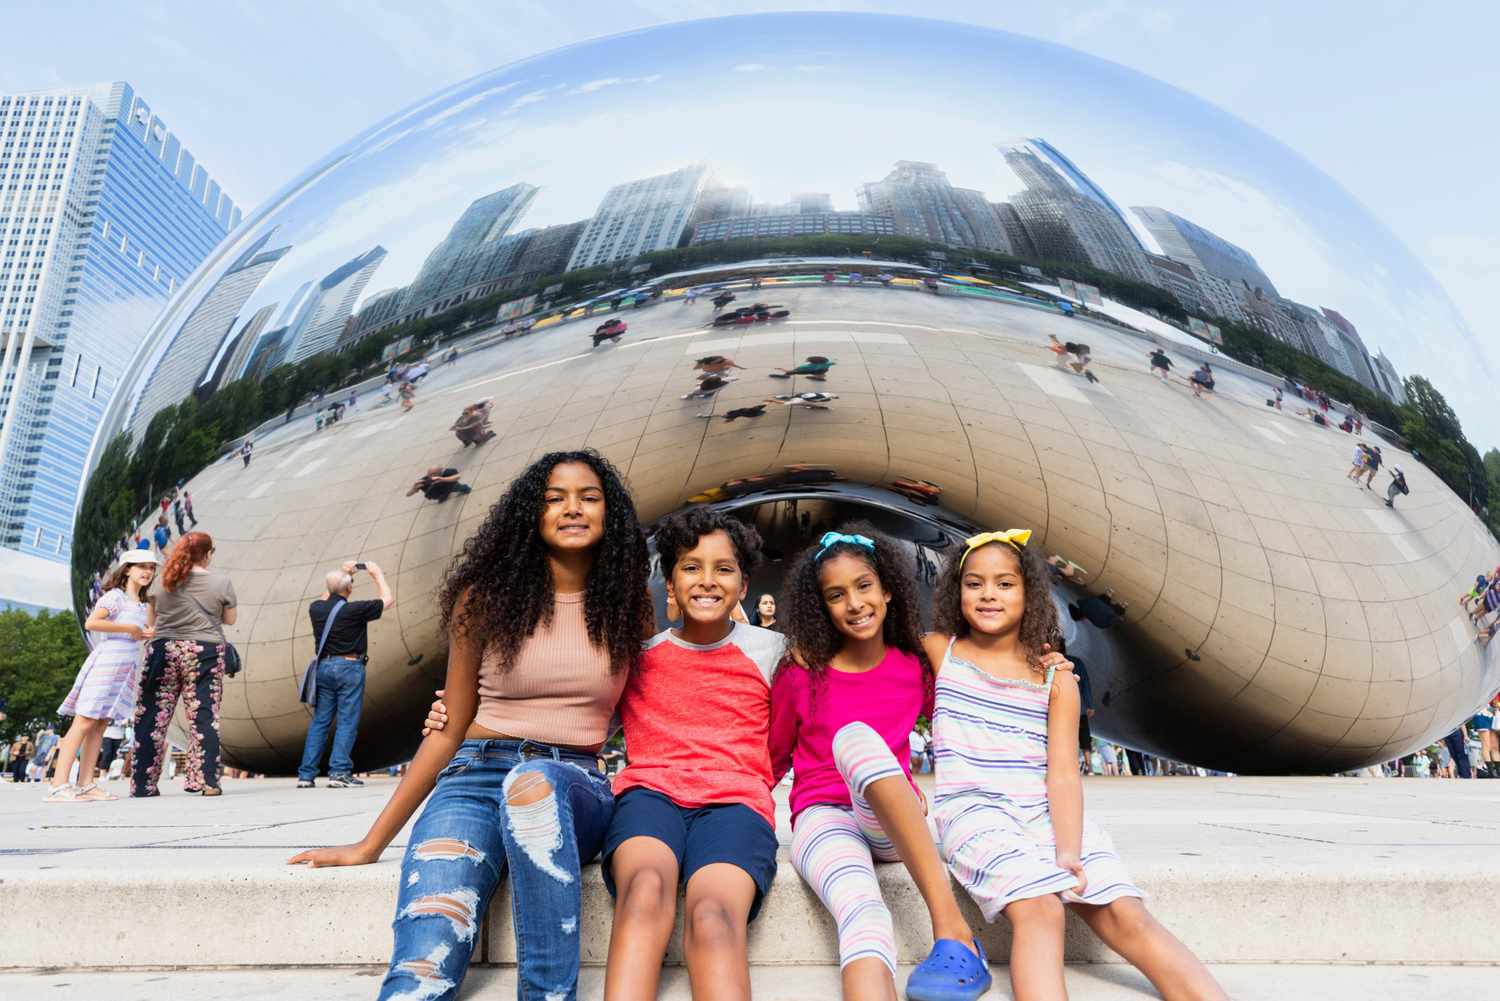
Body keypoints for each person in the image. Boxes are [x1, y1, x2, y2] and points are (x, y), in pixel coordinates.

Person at [290, 450, 652, 1001]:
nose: (571, 509)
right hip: (477, 775)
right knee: (429, 943)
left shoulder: (628, 605)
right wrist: (370, 843)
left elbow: (649, 709)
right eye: (554, 499)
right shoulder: (484, 599)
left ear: (611, 513)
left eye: (588, 498)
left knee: (536, 788)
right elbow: (451, 724)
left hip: (570, 782)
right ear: (530, 514)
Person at [924, 530, 1227, 1001]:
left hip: (1045, 814)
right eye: (974, 583)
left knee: (1127, 912)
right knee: (1041, 908)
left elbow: (1063, 774)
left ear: (1030, 594)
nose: (988, 595)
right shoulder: (941, 651)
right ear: (955, 591)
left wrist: (1068, 850)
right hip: (974, 812)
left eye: (1005, 584)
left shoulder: (1055, 678)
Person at [771, 528, 988, 1001]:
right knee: (863, 912)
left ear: (887, 589)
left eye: (864, 586)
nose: (854, 603)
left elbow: (974, 714)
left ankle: (952, 929)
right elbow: (770, 758)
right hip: (823, 818)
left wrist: (1045, 664)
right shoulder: (800, 671)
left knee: (860, 743)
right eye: (836, 594)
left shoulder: (914, 666)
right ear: (821, 607)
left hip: (890, 816)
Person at [598, 507, 784, 1001]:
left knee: (713, 916)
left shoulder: (773, 652)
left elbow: (805, 727)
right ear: (671, 584)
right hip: (650, 797)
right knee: (644, 892)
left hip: (735, 805)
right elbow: (577, 713)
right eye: (691, 567)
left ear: (743, 586)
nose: (707, 580)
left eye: (723, 569)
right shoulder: (640, 657)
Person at [45, 550, 158, 803]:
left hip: (125, 668)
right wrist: (128, 628)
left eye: (151, 568)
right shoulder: (115, 597)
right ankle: (57, 784)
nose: (147, 572)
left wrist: (146, 633)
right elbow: (92, 623)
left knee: (100, 725)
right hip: (106, 663)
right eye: (141, 566)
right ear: (127, 569)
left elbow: (145, 631)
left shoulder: (144, 604)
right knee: (84, 721)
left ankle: (86, 783)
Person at [135, 532, 236, 797]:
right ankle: (206, 782)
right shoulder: (221, 582)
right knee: (204, 716)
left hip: (163, 650)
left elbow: (152, 623)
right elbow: (230, 619)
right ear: (208, 553)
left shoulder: (162, 581)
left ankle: (143, 785)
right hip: (205, 651)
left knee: (152, 718)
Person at [296, 562, 395, 789]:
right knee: (347, 721)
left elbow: (326, 599)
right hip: (349, 667)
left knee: (320, 721)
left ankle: (306, 775)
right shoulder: (355, 610)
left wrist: (344, 574)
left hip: (324, 668)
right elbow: (387, 600)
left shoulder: (316, 609)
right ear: (349, 590)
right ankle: (339, 772)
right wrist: (377, 574)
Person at [406, 466, 473, 503]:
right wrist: (413, 488)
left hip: (449, 485)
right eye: (429, 474)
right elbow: (408, 495)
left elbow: (458, 476)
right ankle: (444, 495)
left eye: (434, 474)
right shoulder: (424, 480)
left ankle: (465, 488)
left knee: (458, 487)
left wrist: (441, 479)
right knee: (438, 495)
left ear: (440, 472)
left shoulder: (447, 472)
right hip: (438, 492)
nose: (431, 476)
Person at [770, 356, 835, 381]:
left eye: (807, 360)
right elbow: (833, 363)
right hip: (821, 370)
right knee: (821, 371)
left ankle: (786, 376)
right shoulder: (827, 363)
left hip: (807, 370)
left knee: (790, 372)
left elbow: (794, 370)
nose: (806, 361)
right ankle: (820, 377)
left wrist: (780, 368)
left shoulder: (807, 366)